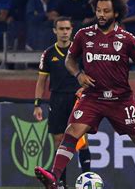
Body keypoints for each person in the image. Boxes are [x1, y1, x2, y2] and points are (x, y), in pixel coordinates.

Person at [34, 0, 135, 189]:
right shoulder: (83, 35)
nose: (101, 14)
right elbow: (70, 61)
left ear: (116, 13)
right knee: (71, 132)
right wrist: (79, 75)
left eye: (106, 11)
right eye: (98, 10)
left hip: (120, 100)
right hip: (92, 97)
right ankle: (54, 178)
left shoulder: (126, 38)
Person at [34, 17, 91, 188]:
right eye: (61, 29)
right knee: (59, 141)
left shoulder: (80, 52)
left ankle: (87, 181)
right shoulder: (49, 54)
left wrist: (86, 91)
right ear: (55, 31)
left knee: (81, 140)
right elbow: (41, 80)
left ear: (72, 29)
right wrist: (37, 103)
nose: (64, 32)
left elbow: (90, 74)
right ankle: (61, 184)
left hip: (77, 98)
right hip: (57, 99)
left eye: (67, 28)